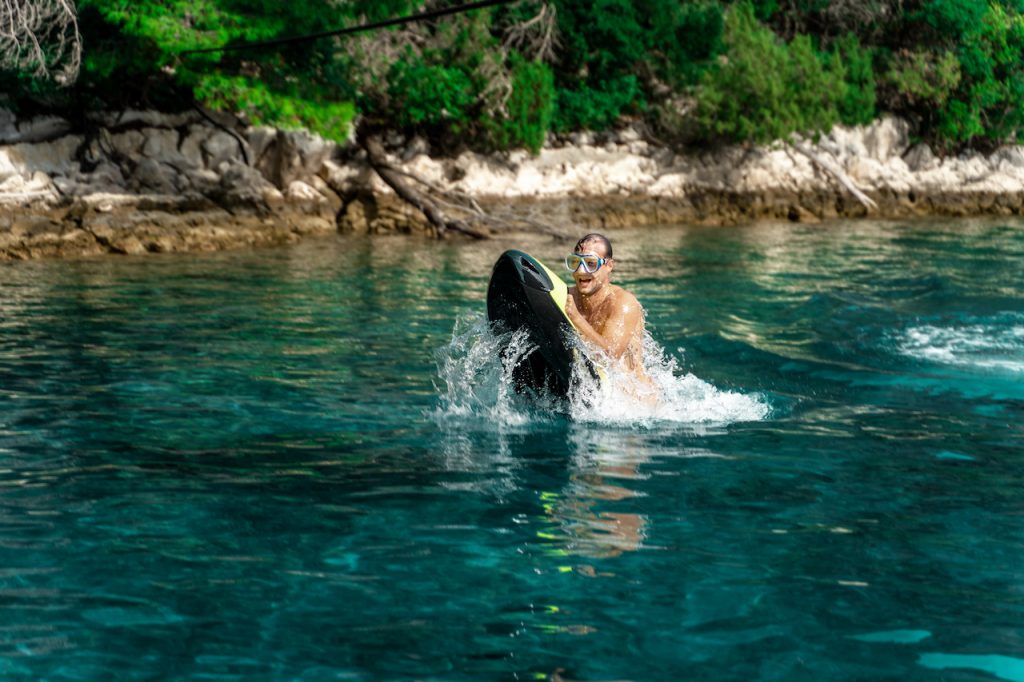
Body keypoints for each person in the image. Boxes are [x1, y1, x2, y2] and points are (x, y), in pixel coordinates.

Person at [563, 233, 648, 379]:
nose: (581, 271)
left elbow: (610, 358)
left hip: (632, 396)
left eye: (591, 263)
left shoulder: (624, 303)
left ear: (609, 266)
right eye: (576, 262)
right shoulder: (568, 296)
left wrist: (577, 319)